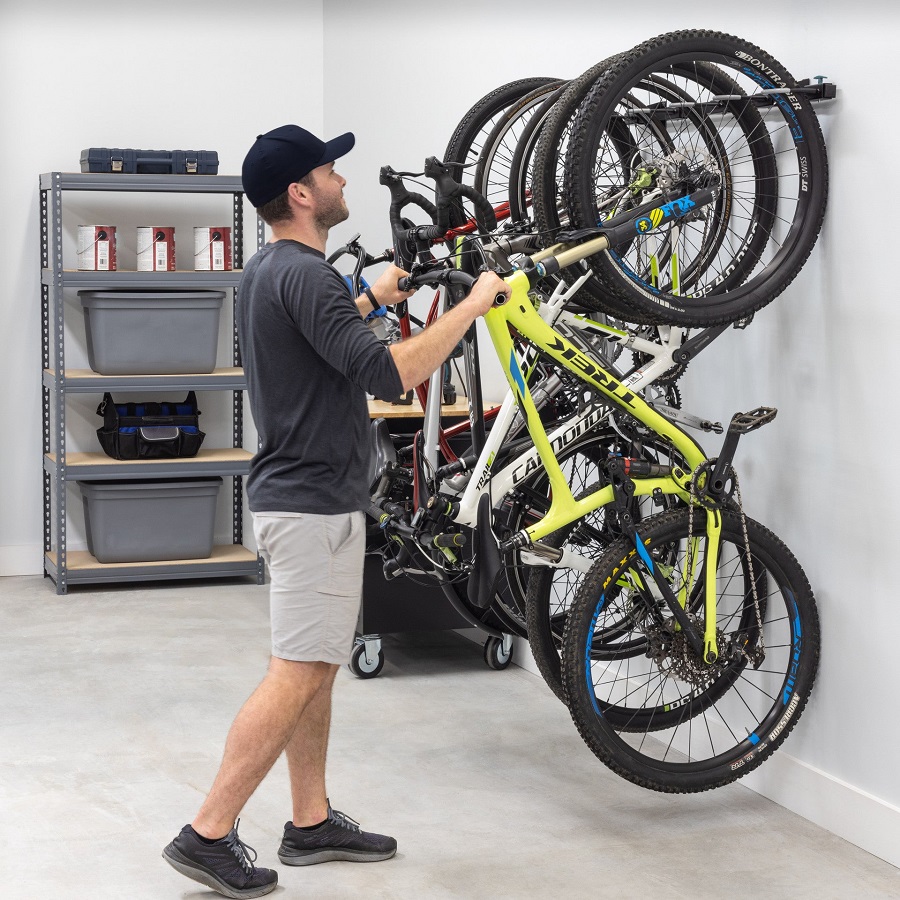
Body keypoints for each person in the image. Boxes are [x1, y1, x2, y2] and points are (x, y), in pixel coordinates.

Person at [162, 124, 510, 898]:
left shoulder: (271, 272)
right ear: (300, 193)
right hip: (314, 504)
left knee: (314, 670)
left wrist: (372, 297)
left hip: (300, 497)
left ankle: (310, 821)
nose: (342, 184)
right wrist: (477, 304)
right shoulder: (307, 278)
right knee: (299, 671)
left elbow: (330, 342)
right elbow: (393, 374)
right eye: (330, 172)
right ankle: (207, 832)